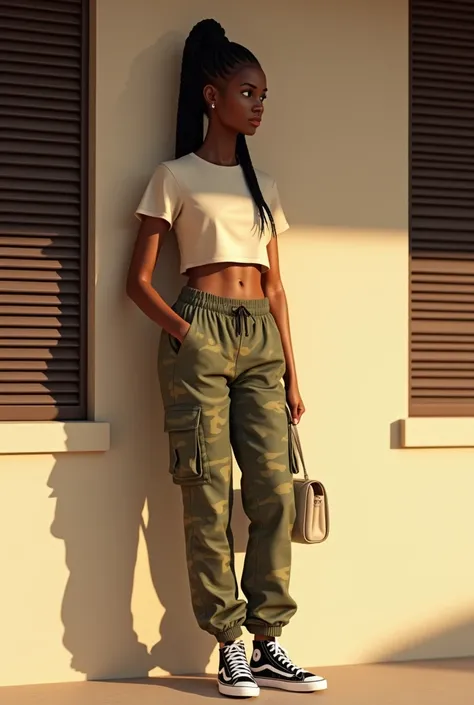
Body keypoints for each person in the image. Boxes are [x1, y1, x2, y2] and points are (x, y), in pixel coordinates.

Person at [127, 18, 327, 699]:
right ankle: (229, 644)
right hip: (202, 331)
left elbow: (275, 286)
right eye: (249, 92)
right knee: (206, 492)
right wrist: (186, 331)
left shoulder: (262, 185)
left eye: (265, 94)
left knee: (273, 491)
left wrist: (294, 374)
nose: (261, 105)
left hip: (261, 339)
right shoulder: (173, 176)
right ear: (213, 96)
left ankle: (271, 642)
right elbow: (139, 281)